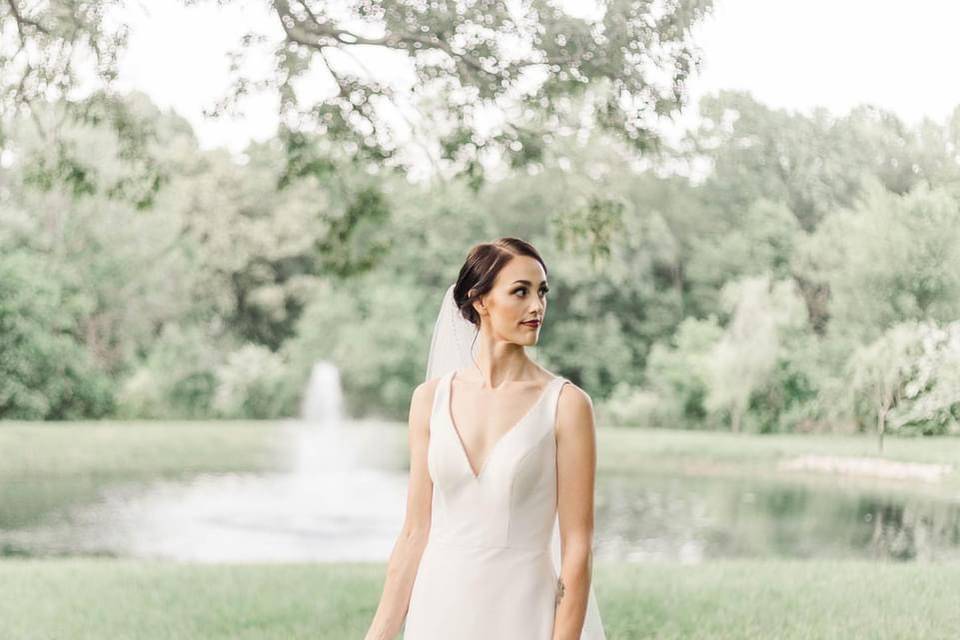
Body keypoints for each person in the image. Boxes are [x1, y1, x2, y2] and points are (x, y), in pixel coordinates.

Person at [363, 237, 606, 640]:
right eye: (520, 292)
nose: (537, 307)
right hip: (438, 607)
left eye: (542, 292)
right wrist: (380, 633)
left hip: (523, 609)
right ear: (480, 301)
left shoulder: (566, 405)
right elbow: (413, 533)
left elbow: (577, 549)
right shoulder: (429, 400)